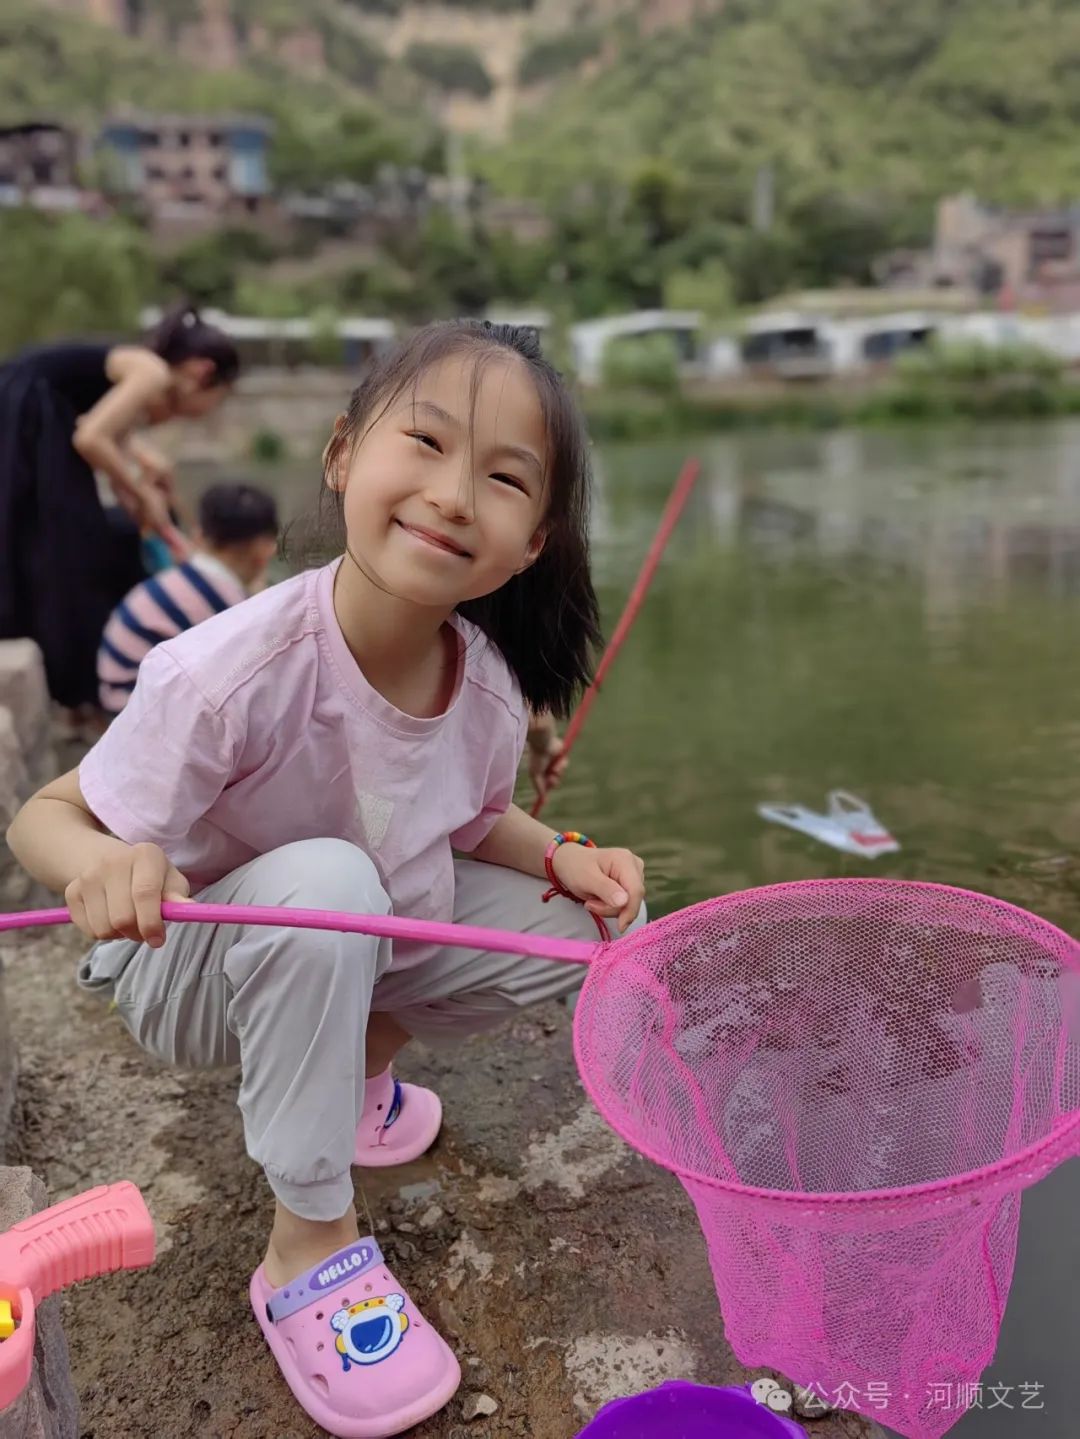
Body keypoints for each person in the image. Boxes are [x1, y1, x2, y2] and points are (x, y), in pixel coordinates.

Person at [7, 319, 647, 1439]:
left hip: (349, 927)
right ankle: (308, 1236)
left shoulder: (490, 687)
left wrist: (564, 856)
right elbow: (44, 813)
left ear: (532, 540)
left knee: (588, 926)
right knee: (333, 881)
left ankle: (353, 1072)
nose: (454, 495)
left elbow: (473, 815)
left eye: (502, 477)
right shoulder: (230, 670)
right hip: (186, 968)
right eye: (427, 443)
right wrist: (102, 864)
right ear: (344, 453)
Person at [0, 301, 239, 709]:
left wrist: (142, 481)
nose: (209, 411)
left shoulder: (141, 373)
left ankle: (62, 673)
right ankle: (73, 683)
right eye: (219, 397)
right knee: (67, 542)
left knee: (50, 542)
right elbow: (90, 438)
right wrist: (142, 493)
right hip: (28, 412)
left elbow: (106, 437)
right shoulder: (152, 371)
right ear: (202, 372)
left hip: (33, 411)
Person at [97, 482, 279, 715]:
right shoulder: (226, 603)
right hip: (137, 710)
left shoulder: (188, 578)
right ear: (264, 548)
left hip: (120, 694)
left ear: (200, 534)